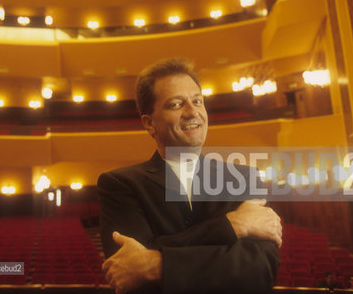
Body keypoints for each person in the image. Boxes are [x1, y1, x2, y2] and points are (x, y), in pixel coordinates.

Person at [98, 58, 282, 294]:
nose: (193, 111)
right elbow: (128, 270)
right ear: (149, 123)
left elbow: (259, 270)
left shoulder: (243, 178)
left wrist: (156, 263)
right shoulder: (119, 184)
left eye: (197, 101)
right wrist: (234, 225)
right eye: (176, 104)